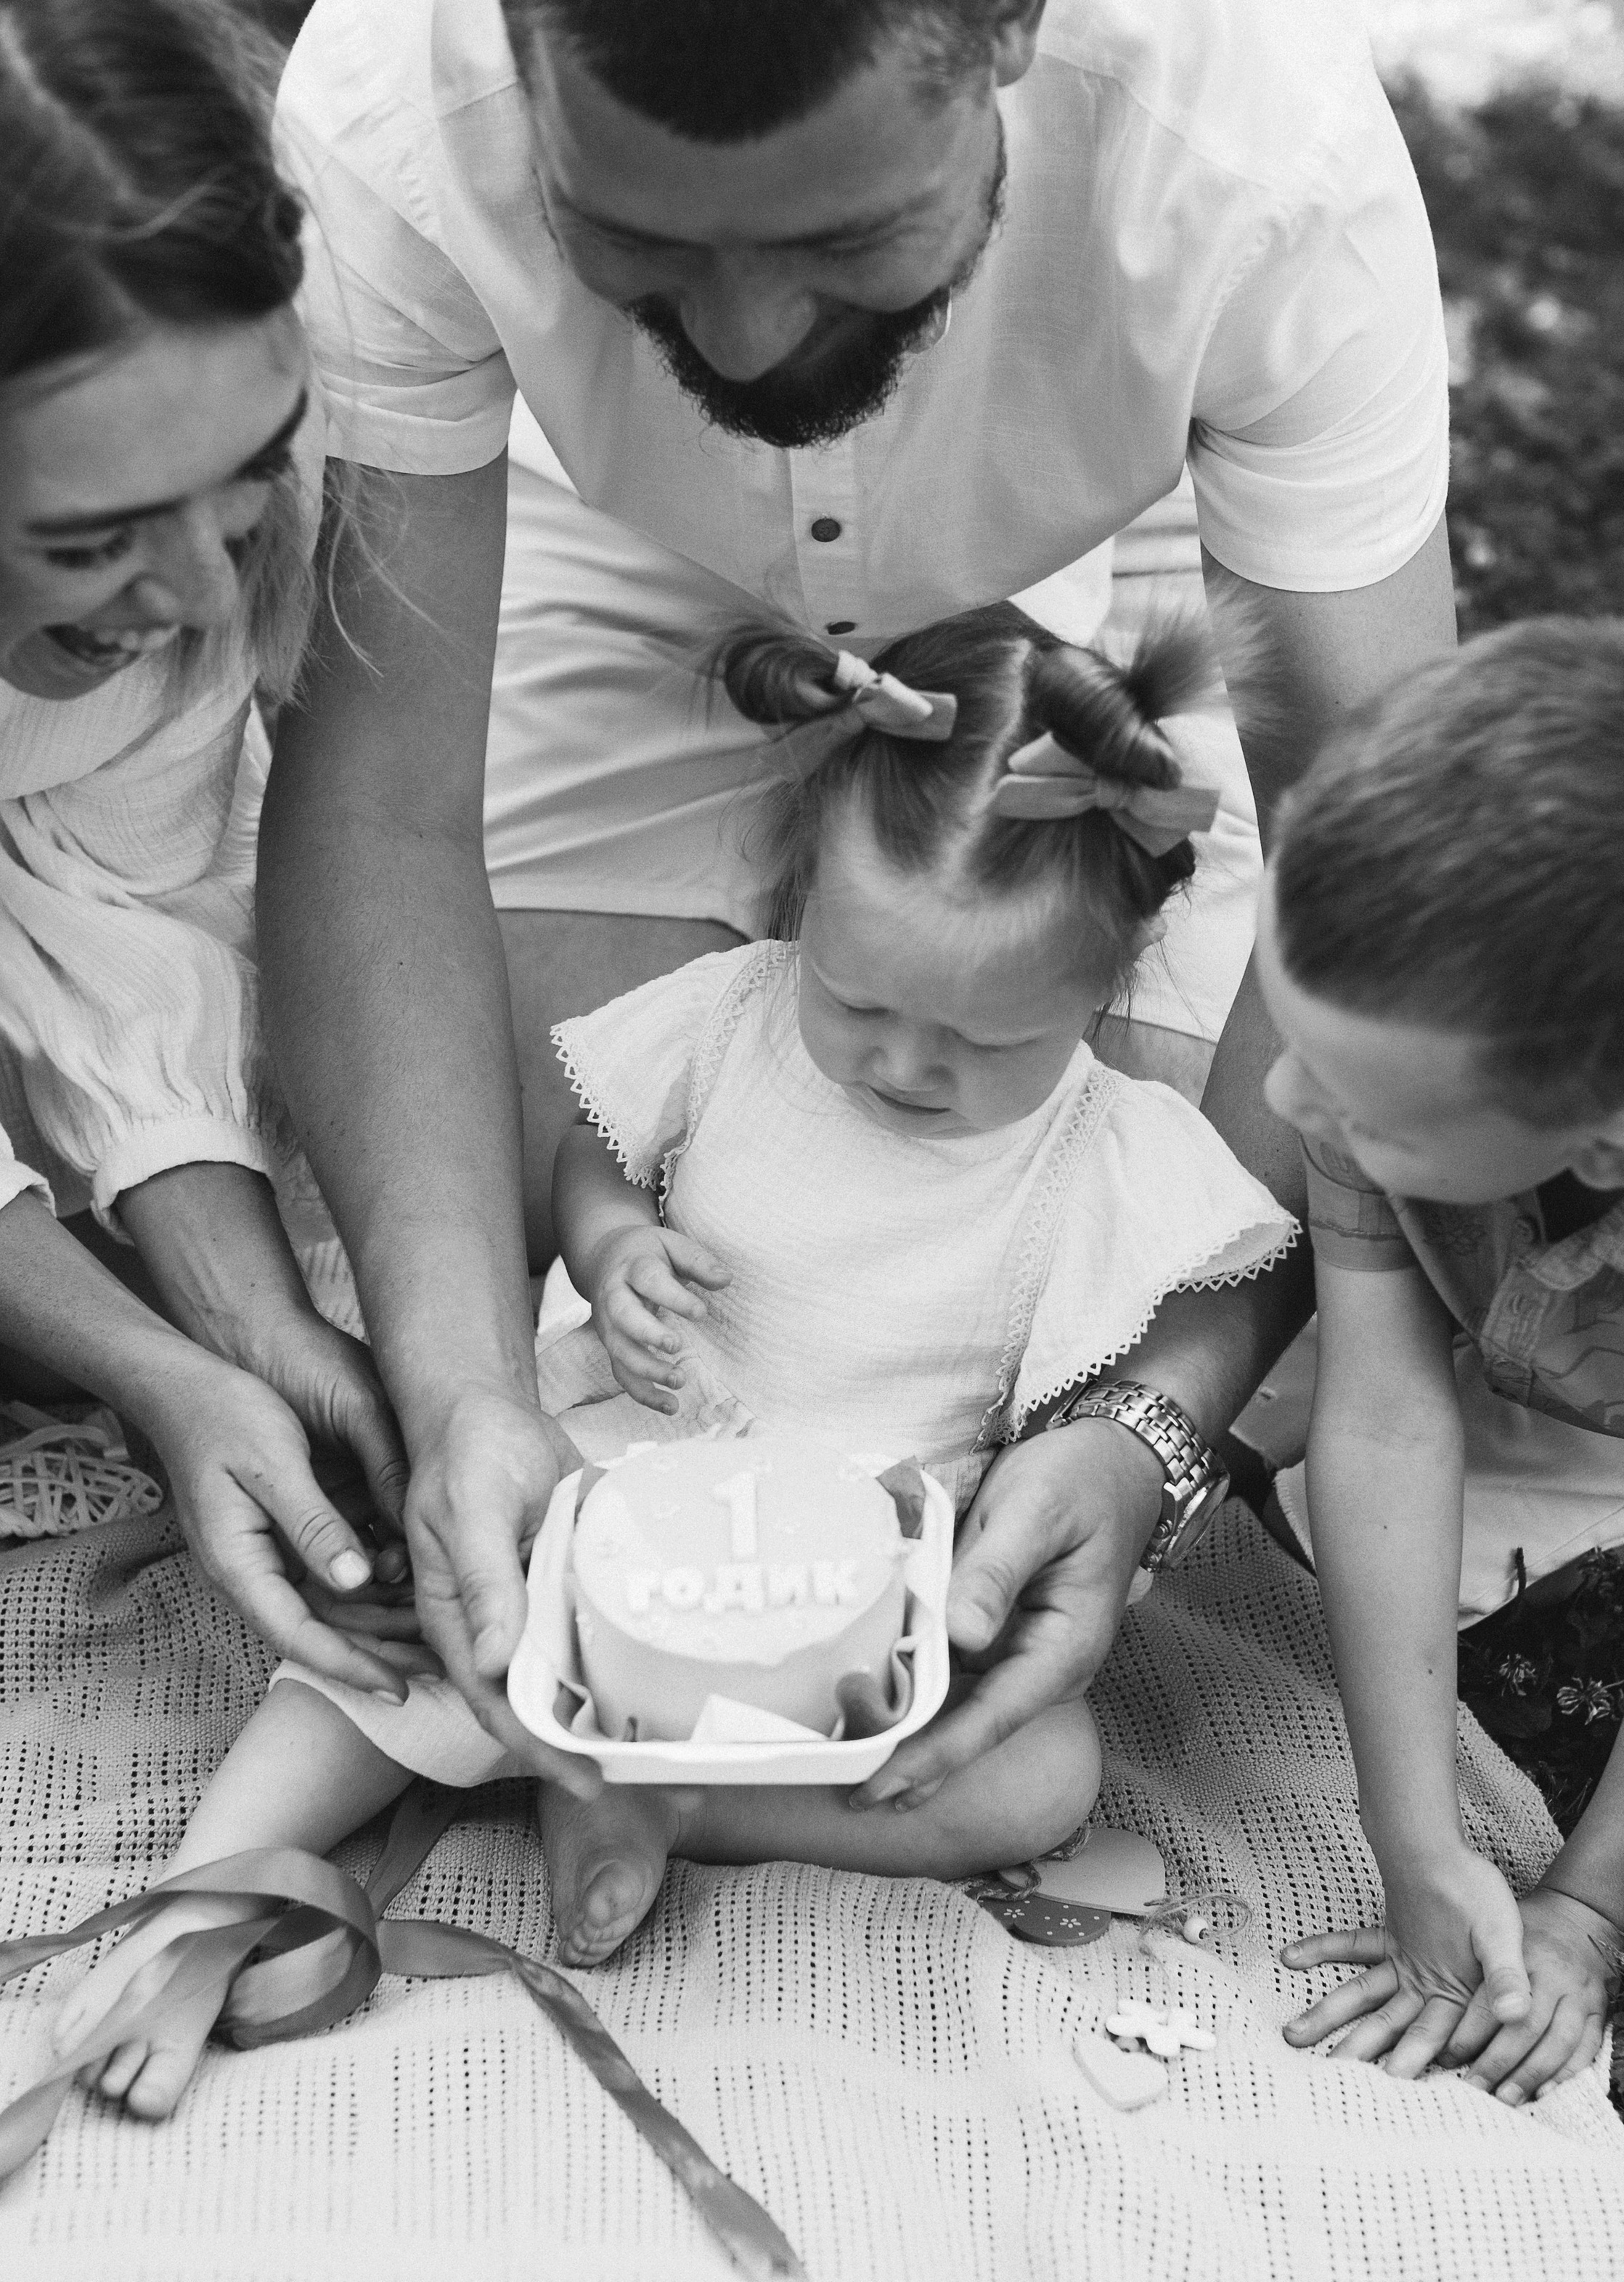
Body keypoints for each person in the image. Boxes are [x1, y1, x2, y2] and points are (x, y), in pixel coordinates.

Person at [260, 0, 1457, 1790]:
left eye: (843, 235)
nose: (743, 328)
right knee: (499, 1140)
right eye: (632, 237)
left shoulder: (1255, 146)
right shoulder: (394, 97)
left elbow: (1379, 842)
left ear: (1009, 23)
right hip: (595, 524)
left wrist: (1157, 1420)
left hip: (1134, 551)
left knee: (1189, 1201)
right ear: (515, 45)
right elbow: (377, 796)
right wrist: (466, 1386)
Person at [56, 611, 1293, 2112]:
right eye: (861, 1004)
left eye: (985, 1041)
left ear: (1106, 980)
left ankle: (665, 1798)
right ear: (800, 895)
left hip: (856, 1574)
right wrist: (607, 1249)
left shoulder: (1108, 1153)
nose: (906, 1065)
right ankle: (201, 1902)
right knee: (399, 1630)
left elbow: (1196, 1315)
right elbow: (595, 1155)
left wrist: (1081, 1462)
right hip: (625, 1483)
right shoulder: (733, 1019)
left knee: (1041, 1779)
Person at [1249, 619, 1624, 2105]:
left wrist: (1589, 1906)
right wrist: (1413, 1839)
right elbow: (1386, 1422)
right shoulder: (1374, 1069)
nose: (1285, 1102)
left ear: (1601, 1150)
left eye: (1366, 1114)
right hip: (1527, 1346)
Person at [0, 0, 412, 1676]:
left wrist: (243, 1327)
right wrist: (150, 1371)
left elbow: (111, 917)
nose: (186, 595)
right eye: (90, 540)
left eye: (242, 481)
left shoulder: (203, 554)